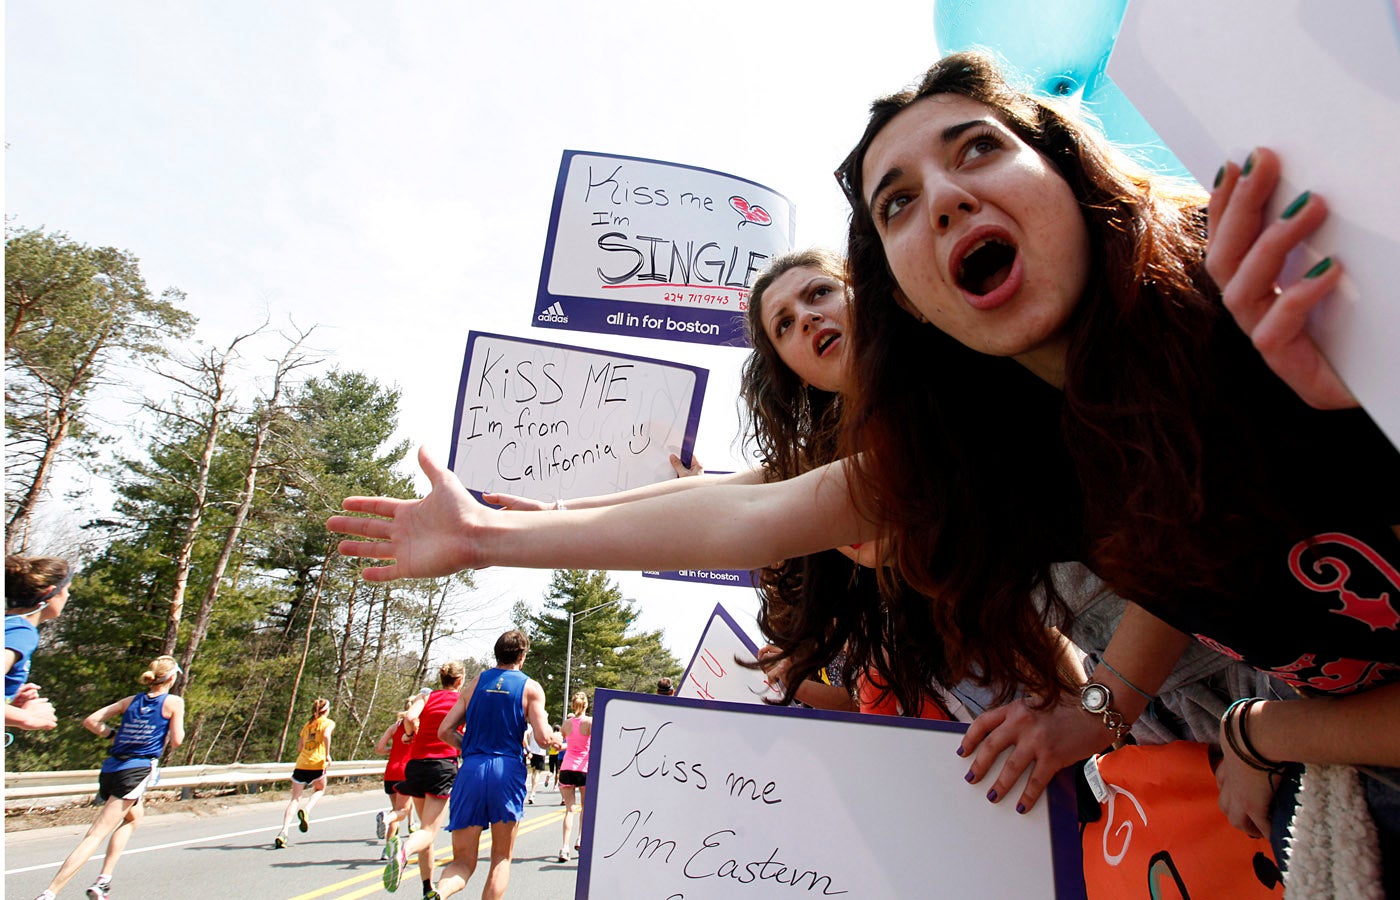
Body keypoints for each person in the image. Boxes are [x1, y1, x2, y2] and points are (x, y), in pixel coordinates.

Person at [32, 655, 185, 900]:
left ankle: (103, 881)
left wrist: (114, 736)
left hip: (112, 768)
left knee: (134, 818)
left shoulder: (131, 701)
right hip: (136, 770)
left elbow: (91, 721)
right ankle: (50, 893)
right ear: (172, 677)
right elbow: (177, 740)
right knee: (97, 833)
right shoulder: (174, 702)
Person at [427, 630, 559, 900]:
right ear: (522, 656)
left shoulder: (475, 683)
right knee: (500, 859)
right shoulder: (531, 688)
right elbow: (544, 739)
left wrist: (473, 749)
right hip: (506, 770)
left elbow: (444, 731)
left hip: (472, 768)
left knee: (462, 861)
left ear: (497, 653)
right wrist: (557, 738)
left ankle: (439, 892)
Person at [381, 661, 466, 896]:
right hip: (442, 765)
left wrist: (410, 735)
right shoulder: (461, 701)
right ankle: (403, 852)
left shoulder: (426, 697)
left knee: (424, 833)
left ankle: (427, 888)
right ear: (459, 681)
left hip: (416, 764)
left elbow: (409, 716)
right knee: (427, 831)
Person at [5, 555, 73, 734]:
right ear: (49, 592)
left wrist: (9, 697)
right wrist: (28, 718)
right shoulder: (20, 633)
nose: (68, 596)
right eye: (67, 589)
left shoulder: (9, 625)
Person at [273, 697, 335, 849]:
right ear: (326, 710)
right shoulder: (328, 723)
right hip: (317, 763)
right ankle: (306, 810)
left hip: (301, 764)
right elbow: (326, 736)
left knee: (295, 798)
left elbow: (300, 747)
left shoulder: (307, 725)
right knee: (320, 790)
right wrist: (327, 754)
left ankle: (283, 832)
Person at [373, 696, 419, 858]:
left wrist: (392, 751)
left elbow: (379, 748)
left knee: (396, 811)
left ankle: (388, 849)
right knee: (401, 812)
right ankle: (386, 823)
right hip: (406, 772)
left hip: (391, 771)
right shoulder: (417, 727)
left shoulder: (394, 727)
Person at [555, 690, 592, 863]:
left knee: (569, 809)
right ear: (586, 705)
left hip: (567, 768)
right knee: (585, 808)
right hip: (584, 769)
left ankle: (565, 847)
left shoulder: (566, 723)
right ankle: (580, 839)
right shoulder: (590, 723)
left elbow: (563, 743)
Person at [524, 724, 548, 804]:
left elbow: (526, 736)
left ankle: (531, 791)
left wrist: (528, 749)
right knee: (537, 773)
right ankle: (532, 793)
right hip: (540, 752)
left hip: (532, 751)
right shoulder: (546, 727)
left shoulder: (532, 727)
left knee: (534, 772)